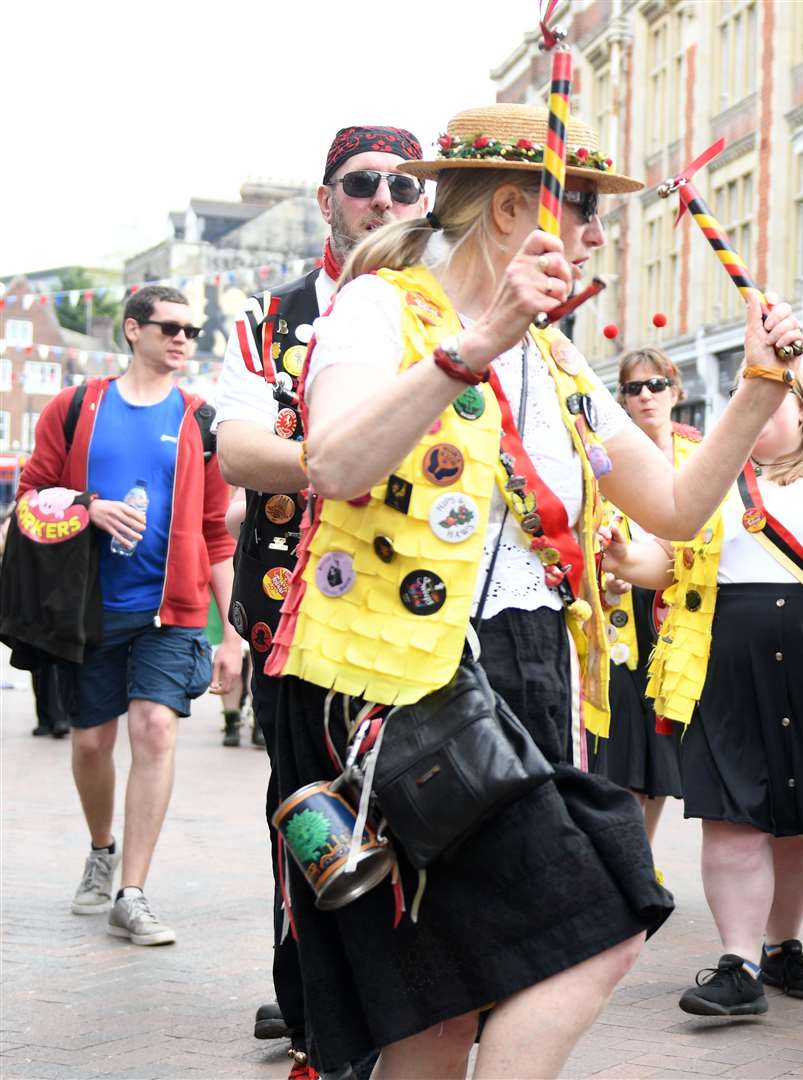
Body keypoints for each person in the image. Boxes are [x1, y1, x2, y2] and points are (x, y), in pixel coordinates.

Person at [261, 103, 803, 1078]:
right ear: (513, 209)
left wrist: (759, 391)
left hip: (525, 673)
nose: (599, 236)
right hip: (396, 686)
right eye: (586, 210)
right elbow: (334, 463)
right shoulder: (377, 307)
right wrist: (476, 342)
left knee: (452, 993)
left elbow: (675, 506)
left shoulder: (555, 359)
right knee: (567, 938)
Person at [214, 123, 425, 1073]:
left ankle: (407, 999)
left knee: (421, 815)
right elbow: (239, 450)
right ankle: (313, 1008)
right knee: (309, 811)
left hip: (422, 615)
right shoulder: (270, 315)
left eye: (403, 184)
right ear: (326, 198)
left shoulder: (450, 308)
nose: (384, 198)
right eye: (362, 182)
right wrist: (345, 454)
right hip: (292, 613)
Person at [612, 368, 803, 1019]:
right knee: (731, 811)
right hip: (726, 662)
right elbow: (664, 563)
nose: (760, 415)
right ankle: (738, 962)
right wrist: (620, 556)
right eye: (750, 404)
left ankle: (782, 947)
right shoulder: (710, 477)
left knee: (802, 819)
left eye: (774, 403)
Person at [18, 284, 241, 947]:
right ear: (133, 330)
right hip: (89, 610)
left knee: (156, 730)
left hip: (169, 611)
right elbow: (31, 497)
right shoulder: (76, 408)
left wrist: (233, 634)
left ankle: (132, 891)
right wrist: (89, 504)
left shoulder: (203, 420)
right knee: (92, 743)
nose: (183, 339)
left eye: (192, 330)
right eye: (170, 327)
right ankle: (101, 846)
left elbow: (216, 535)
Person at [586, 348, 693, 842]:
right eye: (633, 388)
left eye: (656, 384)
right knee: (623, 755)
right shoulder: (602, 462)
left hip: (682, 625)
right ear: (621, 400)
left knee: (661, 758)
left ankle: (641, 858)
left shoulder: (699, 455)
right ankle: (629, 861)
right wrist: (605, 579)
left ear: (675, 390)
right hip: (620, 624)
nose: (646, 396)